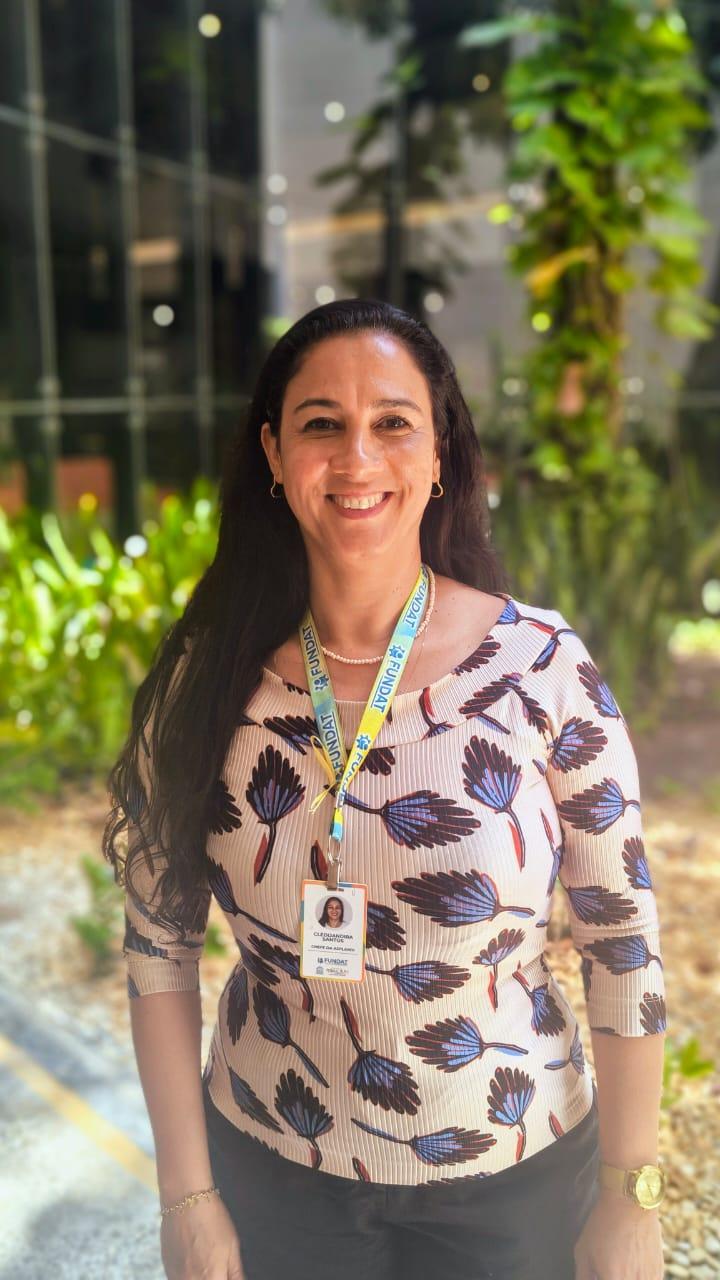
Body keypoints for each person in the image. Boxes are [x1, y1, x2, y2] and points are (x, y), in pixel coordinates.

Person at [104, 299, 667, 1280]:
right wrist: (187, 1198)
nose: (357, 457)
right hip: (271, 1167)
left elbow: (621, 939)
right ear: (275, 454)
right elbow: (158, 946)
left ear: (439, 451)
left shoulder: (540, 667)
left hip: (513, 1177)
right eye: (322, 423)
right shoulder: (210, 675)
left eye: (393, 422)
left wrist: (631, 1193)